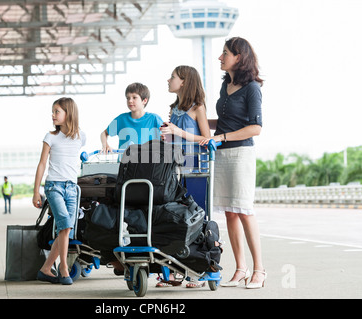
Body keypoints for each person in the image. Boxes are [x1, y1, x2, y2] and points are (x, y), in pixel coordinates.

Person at [199, 37, 266, 289]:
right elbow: (225, 122)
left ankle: (259, 270)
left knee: (244, 211)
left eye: (225, 53)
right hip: (221, 153)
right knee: (229, 212)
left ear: (239, 57)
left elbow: (255, 128)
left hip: (241, 154)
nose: (220, 57)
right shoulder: (225, 85)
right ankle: (240, 269)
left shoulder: (252, 89)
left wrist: (221, 136)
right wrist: (196, 122)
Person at [158, 65, 211, 288]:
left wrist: (177, 132)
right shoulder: (174, 109)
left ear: (184, 81)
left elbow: (206, 138)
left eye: (173, 77)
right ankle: (176, 269)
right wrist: (166, 137)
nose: (168, 80)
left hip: (195, 169)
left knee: (197, 216)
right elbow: (172, 140)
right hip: (176, 169)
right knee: (177, 218)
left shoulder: (197, 108)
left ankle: (199, 270)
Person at [32, 97, 86, 286]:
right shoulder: (50, 137)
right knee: (64, 223)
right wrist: (36, 191)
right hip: (54, 186)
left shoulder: (81, 136)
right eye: (53, 111)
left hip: (72, 188)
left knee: (66, 229)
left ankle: (45, 269)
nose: (53, 115)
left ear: (68, 113)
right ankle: (63, 267)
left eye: (57, 111)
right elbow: (42, 164)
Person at [100, 82, 163, 152]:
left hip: (148, 162)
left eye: (134, 97)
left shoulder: (154, 119)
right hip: (125, 162)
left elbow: (166, 139)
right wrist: (105, 145)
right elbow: (104, 133)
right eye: (128, 98)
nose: (130, 101)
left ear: (144, 100)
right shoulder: (121, 119)